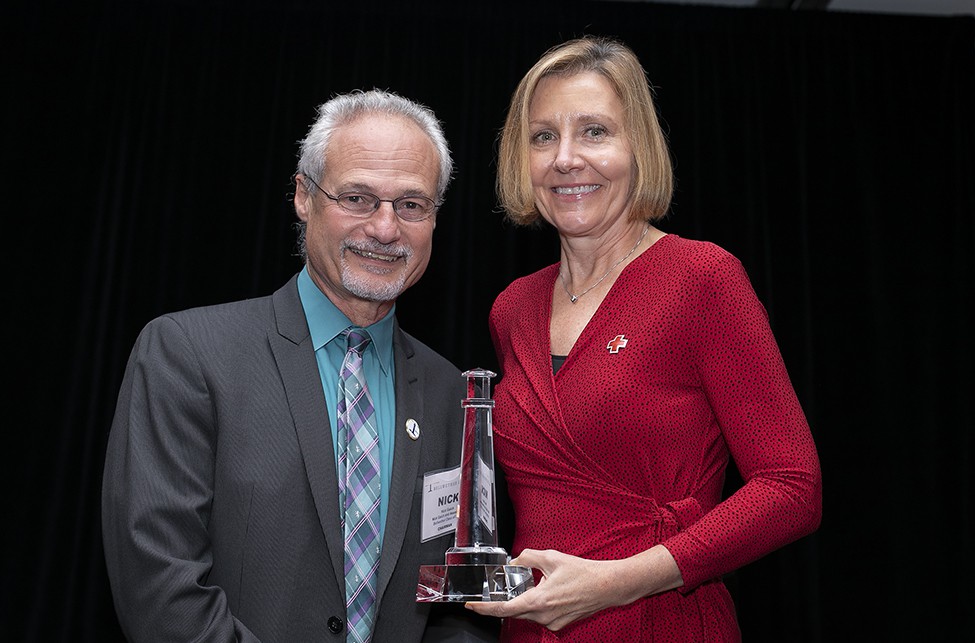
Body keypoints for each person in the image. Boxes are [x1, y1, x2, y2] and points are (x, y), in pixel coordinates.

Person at [102, 89, 497, 643]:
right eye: (358, 198)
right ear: (302, 196)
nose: (385, 229)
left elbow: (458, 600)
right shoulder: (186, 354)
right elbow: (160, 589)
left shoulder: (454, 395)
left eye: (411, 204)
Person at [466, 36, 823, 641]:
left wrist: (621, 581)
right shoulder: (513, 308)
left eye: (595, 132)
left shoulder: (702, 280)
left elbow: (793, 488)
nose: (566, 158)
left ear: (639, 148)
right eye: (543, 136)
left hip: (661, 622)